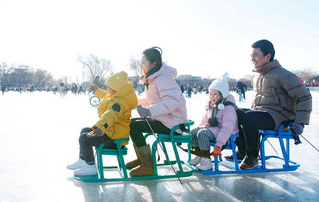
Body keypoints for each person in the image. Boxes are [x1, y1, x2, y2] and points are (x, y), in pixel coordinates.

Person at [237, 39, 312, 170]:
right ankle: (243, 150)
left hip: (280, 116)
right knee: (234, 112)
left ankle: (252, 156)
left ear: (268, 56)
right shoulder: (256, 75)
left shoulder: (284, 75)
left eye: (255, 55)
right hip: (263, 113)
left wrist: (300, 123)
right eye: (251, 55)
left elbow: (304, 97)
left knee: (249, 117)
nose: (252, 58)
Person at [126, 47, 187, 177]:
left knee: (134, 126)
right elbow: (151, 101)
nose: (141, 66)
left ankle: (147, 165)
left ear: (154, 64)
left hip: (173, 122)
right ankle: (143, 160)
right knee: (131, 123)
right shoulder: (153, 79)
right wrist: (131, 103)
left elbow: (171, 102)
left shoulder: (164, 79)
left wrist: (149, 111)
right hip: (164, 119)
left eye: (144, 63)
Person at [67, 71, 138, 176]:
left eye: (108, 88)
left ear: (115, 90)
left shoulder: (119, 103)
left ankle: (91, 166)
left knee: (84, 138)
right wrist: (96, 90)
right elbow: (105, 95)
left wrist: (99, 128)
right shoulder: (117, 97)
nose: (107, 89)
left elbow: (109, 116)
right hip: (112, 133)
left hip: (114, 140)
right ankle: (83, 160)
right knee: (85, 130)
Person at [190, 75, 239, 170]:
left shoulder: (228, 108)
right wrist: (198, 129)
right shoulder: (213, 105)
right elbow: (205, 119)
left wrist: (219, 144)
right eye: (210, 94)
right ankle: (199, 155)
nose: (211, 97)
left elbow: (227, 128)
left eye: (215, 94)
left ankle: (206, 160)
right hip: (214, 130)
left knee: (202, 133)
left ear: (222, 94)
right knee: (194, 132)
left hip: (226, 136)